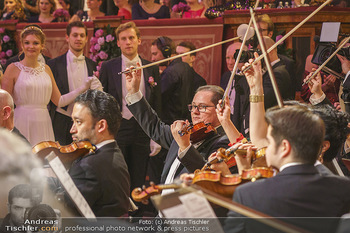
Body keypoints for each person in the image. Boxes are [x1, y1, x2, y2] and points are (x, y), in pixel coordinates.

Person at [125, 66, 235, 189]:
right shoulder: (186, 133)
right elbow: (154, 126)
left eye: (202, 107)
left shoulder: (224, 142)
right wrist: (134, 92)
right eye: (193, 106)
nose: (195, 112)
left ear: (219, 109)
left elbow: (207, 175)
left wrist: (185, 146)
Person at [1, 25, 93, 146]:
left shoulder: (47, 69)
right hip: (21, 120)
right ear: (22, 45)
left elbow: (60, 101)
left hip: (44, 121)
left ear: (42, 46)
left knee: (44, 159)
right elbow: (4, 104)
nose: (31, 46)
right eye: (27, 43)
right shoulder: (12, 68)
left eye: (35, 43)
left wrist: (83, 88)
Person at [99, 22, 161, 194]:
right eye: (123, 39)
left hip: (143, 128)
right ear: (118, 42)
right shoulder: (108, 67)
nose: (128, 42)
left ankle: (137, 216)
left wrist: (155, 136)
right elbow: (102, 102)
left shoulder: (151, 68)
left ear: (139, 41)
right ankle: (119, 214)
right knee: (117, 173)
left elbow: (157, 103)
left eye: (131, 38)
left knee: (139, 175)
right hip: (118, 128)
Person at [64, 90, 130, 217]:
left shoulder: (89, 166)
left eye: (78, 122)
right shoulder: (113, 152)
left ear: (101, 126)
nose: (72, 129)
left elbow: (66, 212)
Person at [48, 21, 101, 145]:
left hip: (85, 121)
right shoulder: (54, 64)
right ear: (67, 37)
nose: (79, 39)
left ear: (87, 38)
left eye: (82, 36)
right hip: (61, 120)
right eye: (75, 35)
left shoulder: (92, 64)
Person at [151, 36, 195, 124]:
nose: (152, 59)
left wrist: (153, 85)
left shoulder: (170, 73)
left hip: (171, 124)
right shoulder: (186, 67)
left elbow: (158, 100)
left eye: (155, 54)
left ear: (166, 51)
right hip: (186, 122)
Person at [257, 14, 297, 99]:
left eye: (262, 30)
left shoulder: (286, 63)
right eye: (256, 30)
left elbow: (290, 95)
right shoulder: (251, 59)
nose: (258, 34)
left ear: (270, 33)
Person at [220, 42, 249, 137]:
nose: (230, 62)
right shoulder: (226, 76)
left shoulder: (248, 77)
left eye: (234, 58)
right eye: (227, 58)